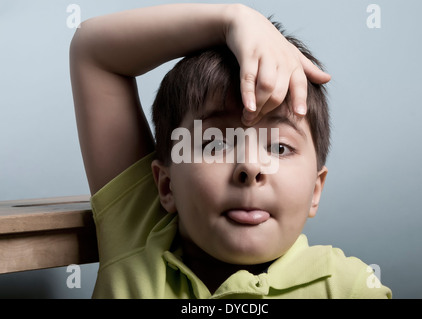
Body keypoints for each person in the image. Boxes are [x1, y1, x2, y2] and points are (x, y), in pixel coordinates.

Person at [70, 3, 392, 298]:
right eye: (216, 144)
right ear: (166, 186)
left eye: (279, 147)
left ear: (315, 190)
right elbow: (93, 50)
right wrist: (232, 19)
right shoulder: (136, 235)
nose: (250, 167)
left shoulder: (349, 287)